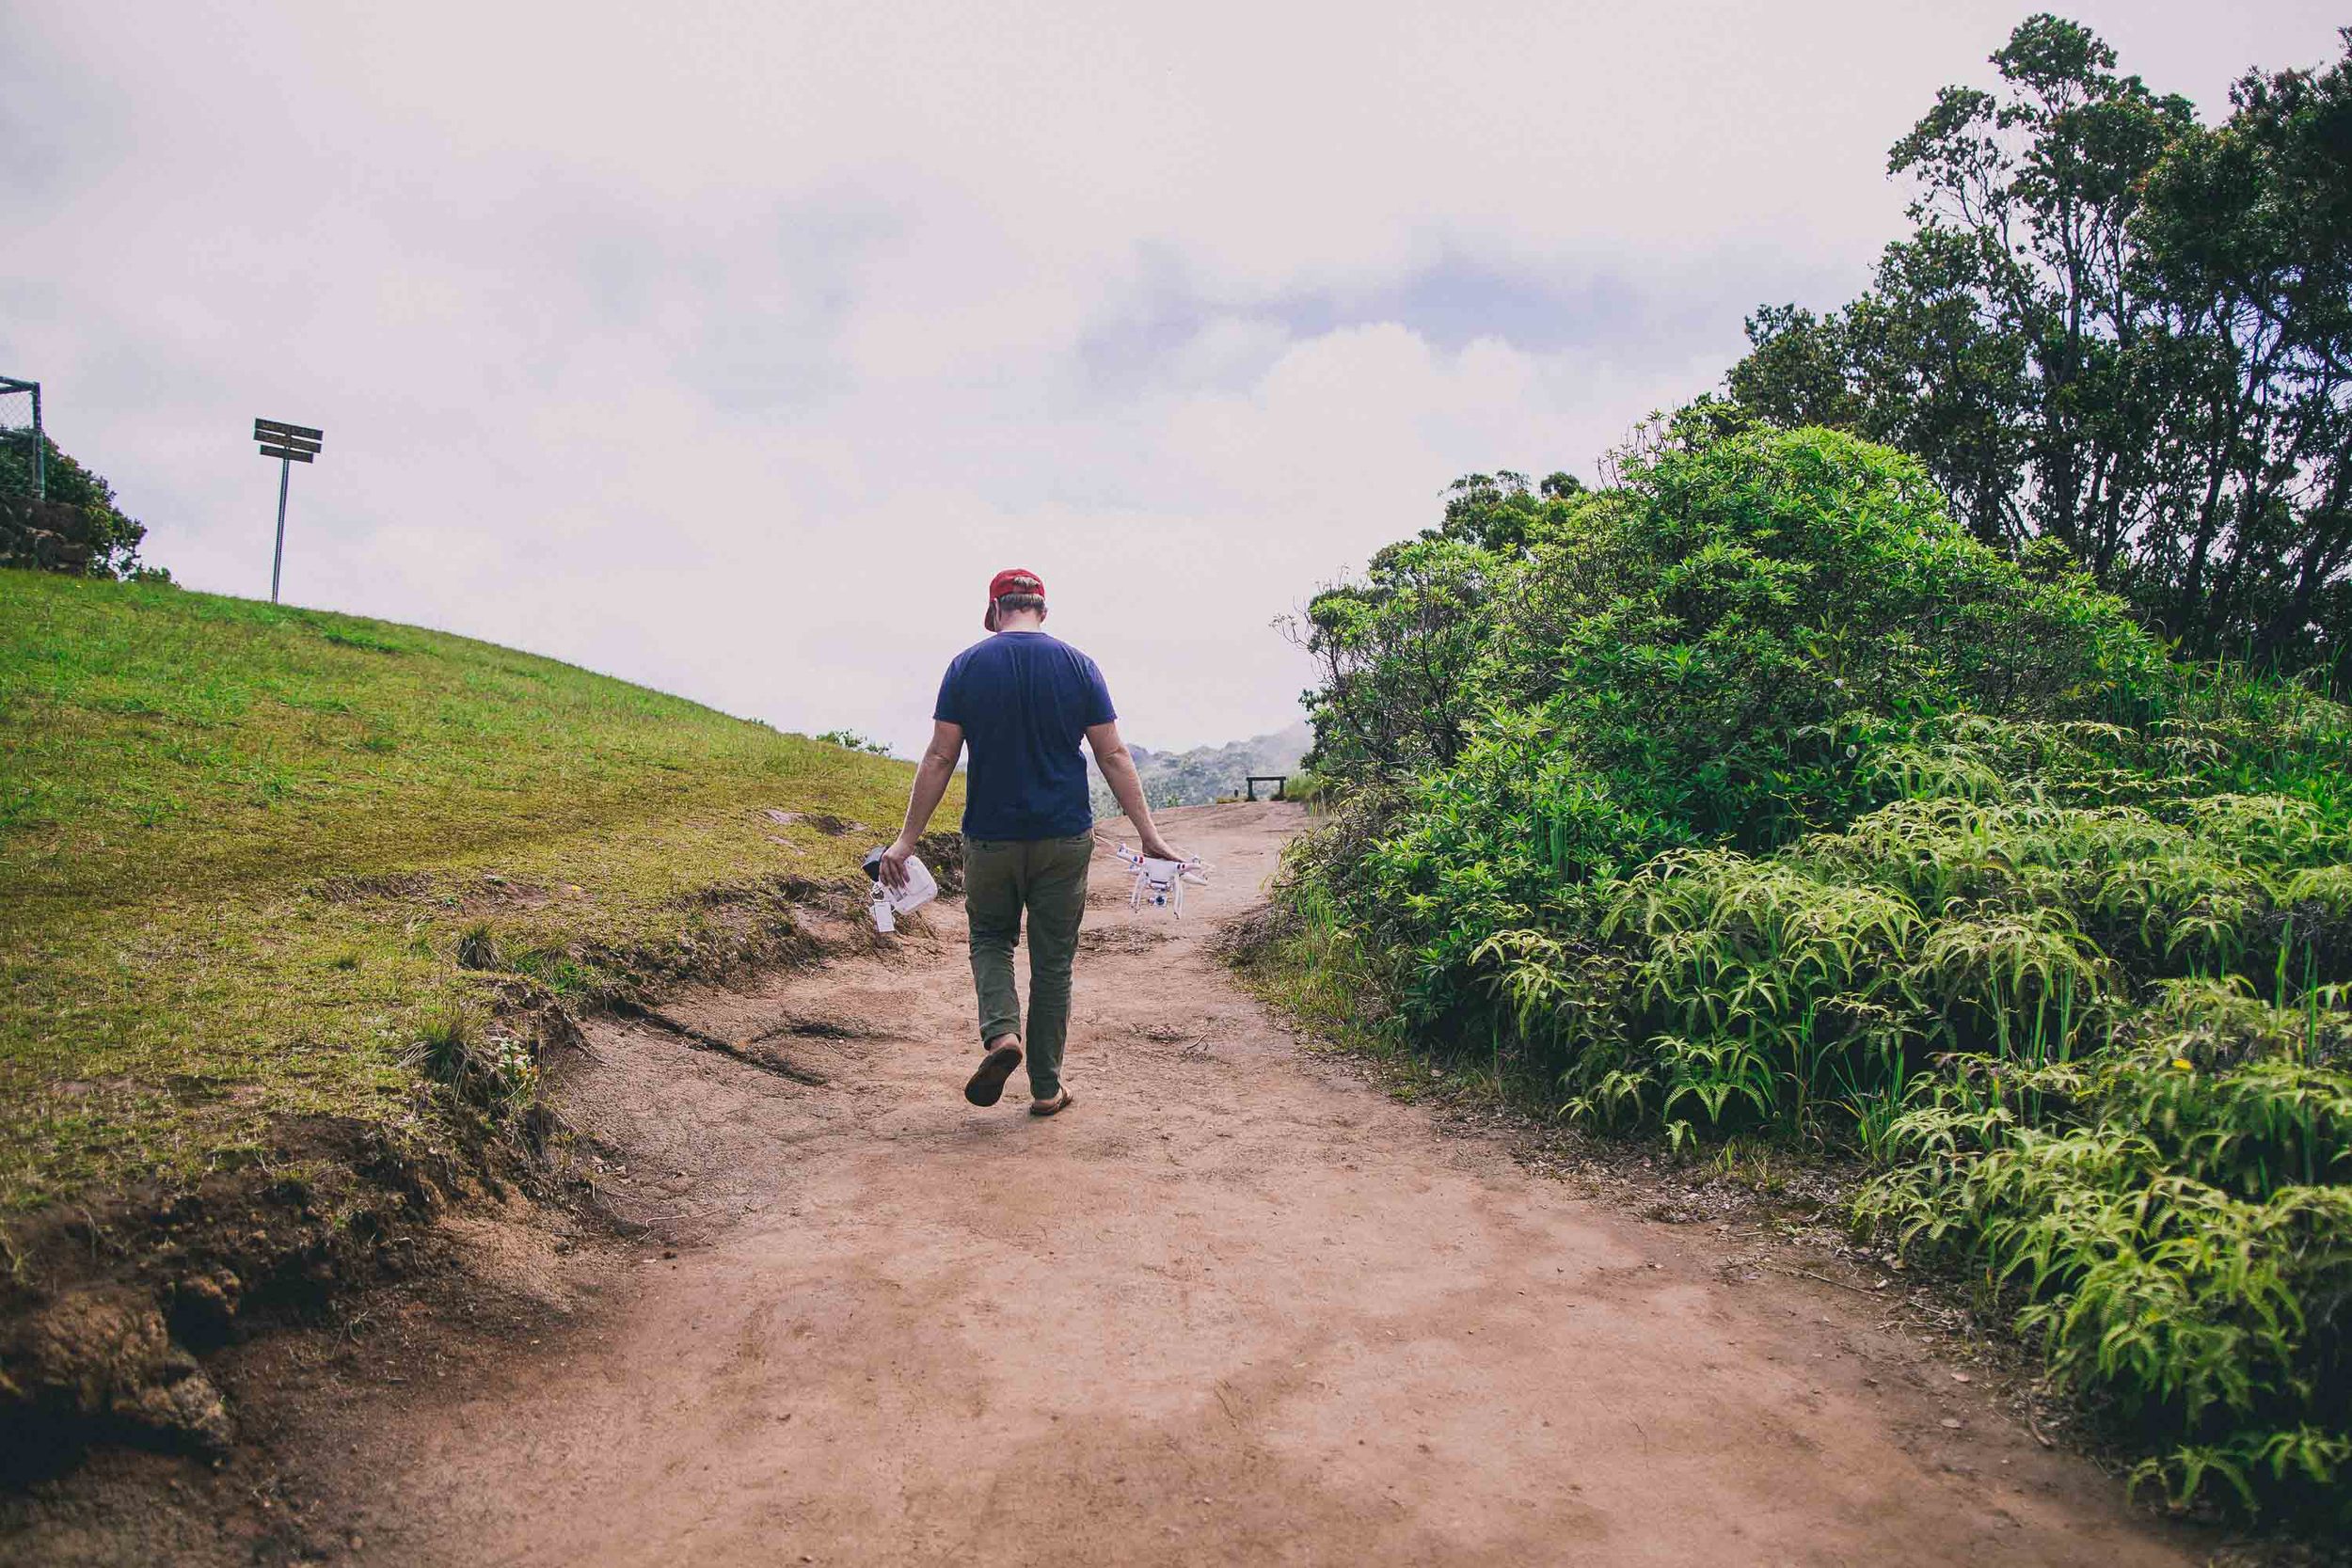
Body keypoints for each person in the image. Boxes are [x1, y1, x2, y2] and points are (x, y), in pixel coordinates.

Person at [878, 568, 1183, 1117]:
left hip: (991, 836)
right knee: (1053, 963)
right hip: (1064, 836)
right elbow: (1112, 755)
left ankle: (1001, 1038)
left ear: (995, 612)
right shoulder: (1078, 665)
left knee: (992, 941)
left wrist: (905, 841)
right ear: (1043, 610)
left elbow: (942, 756)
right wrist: (1149, 833)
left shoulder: (967, 666)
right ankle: (1046, 1088)